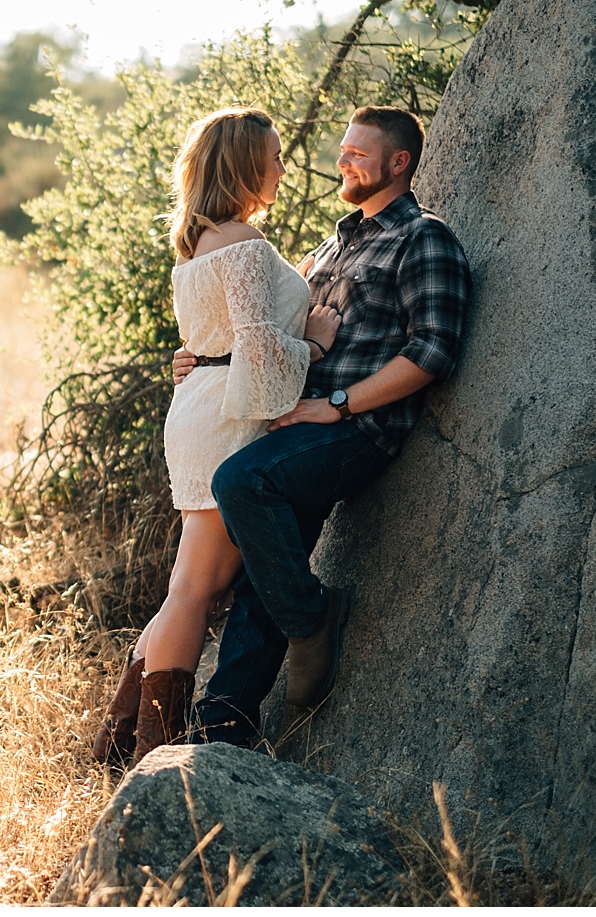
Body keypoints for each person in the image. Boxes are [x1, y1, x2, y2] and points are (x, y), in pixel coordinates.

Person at [177, 105, 472, 748]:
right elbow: (270, 334)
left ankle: (312, 623)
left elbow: (432, 352)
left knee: (243, 484)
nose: (343, 162)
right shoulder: (330, 246)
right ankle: (223, 725)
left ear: (399, 163)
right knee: (262, 570)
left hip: (357, 430)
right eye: (343, 150)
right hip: (297, 422)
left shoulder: (425, 238)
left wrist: (337, 404)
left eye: (359, 154)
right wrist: (202, 360)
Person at [91, 106, 342, 769]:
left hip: (202, 405)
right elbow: (260, 352)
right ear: (246, 164)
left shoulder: (206, 239)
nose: (284, 168)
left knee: (193, 580)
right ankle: (154, 753)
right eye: (277, 156)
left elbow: (217, 341)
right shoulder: (246, 246)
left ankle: (120, 739)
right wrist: (314, 345)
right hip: (226, 417)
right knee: (195, 588)